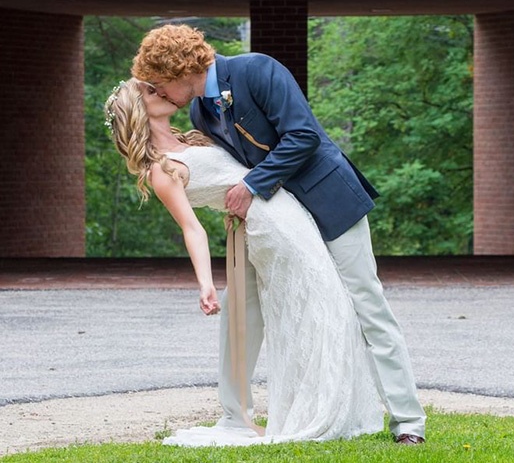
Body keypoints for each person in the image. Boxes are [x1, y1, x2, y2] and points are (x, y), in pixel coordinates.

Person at [131, 24, 427, 445]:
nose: (159, 94)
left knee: (367, 305)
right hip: (277, 224)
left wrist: (251, 186)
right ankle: (238, 413)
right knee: (244, 306)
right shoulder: (200, 113)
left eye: (159, 85)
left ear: (179, 70)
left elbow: (303, 135)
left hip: (330, 202)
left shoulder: (258, 70)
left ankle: (407, 423)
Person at [104, 78, 383, 446]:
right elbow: (192, 229)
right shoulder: (162, 169)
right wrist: (205, 283)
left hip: (287, 213)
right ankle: (313, 412)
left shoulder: (193, 138)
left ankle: (324, 405)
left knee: (327, 306)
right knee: (314, 309)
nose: (161, 92)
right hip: (272, 228)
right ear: (137, 110)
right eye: (150, 92)